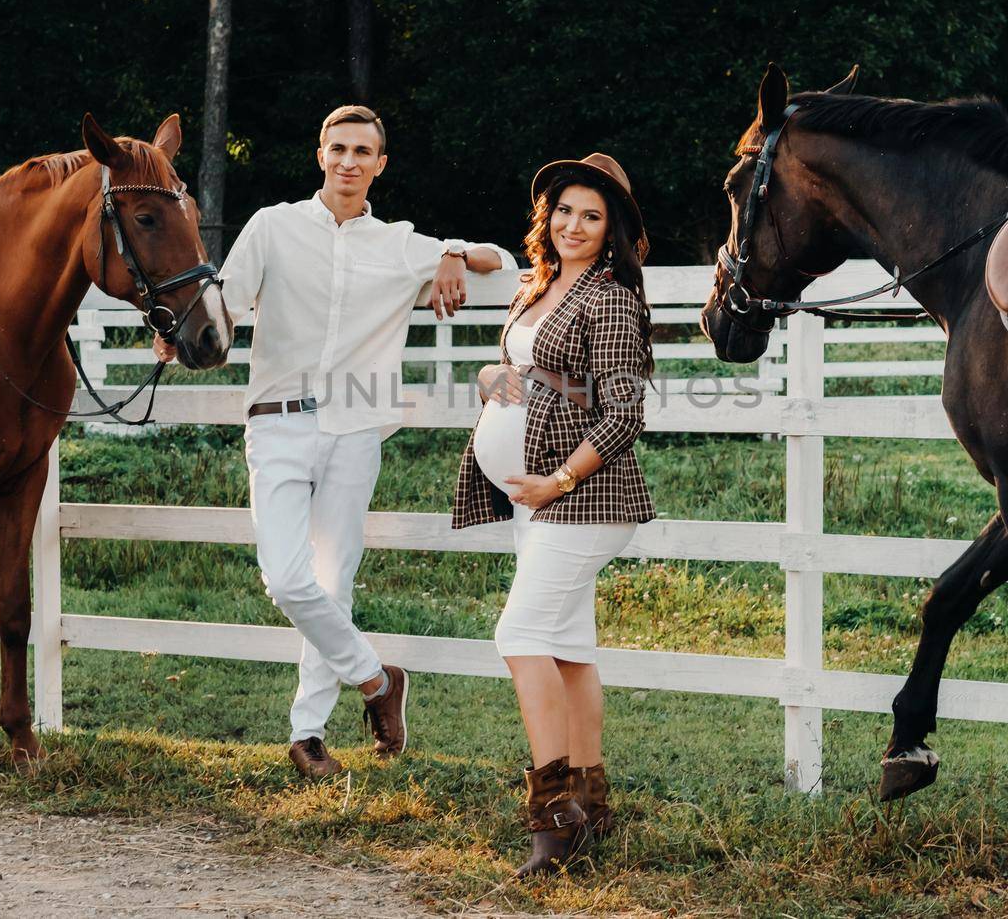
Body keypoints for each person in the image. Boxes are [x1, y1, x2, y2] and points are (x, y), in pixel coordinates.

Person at [159, 105, 516, 780]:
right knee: (287, 577)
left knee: (334, 581)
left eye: (363, 152)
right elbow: (223, 305)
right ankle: (378, 680)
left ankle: (308, 733)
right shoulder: (273, 225)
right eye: (339, 148)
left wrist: (447, 252)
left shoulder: (401, 243)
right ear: (319, 155)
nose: (350, 161)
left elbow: (504, 258)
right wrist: (173, 331)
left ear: (380, 164)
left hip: (355, 426)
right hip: (277, 420)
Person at [451, 152, 656, 875]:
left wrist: (558, 480)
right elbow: (518, 368)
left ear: (614, 229)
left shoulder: (611, 297)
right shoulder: (539, 283)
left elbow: (624, 413)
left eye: (592, 216)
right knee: (568, 646)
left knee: (519, 631)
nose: (574, 225)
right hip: (533, 502)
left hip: (583, 501)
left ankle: (554, 813)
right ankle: (594, 802)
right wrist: (487, 375)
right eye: (565, 210)